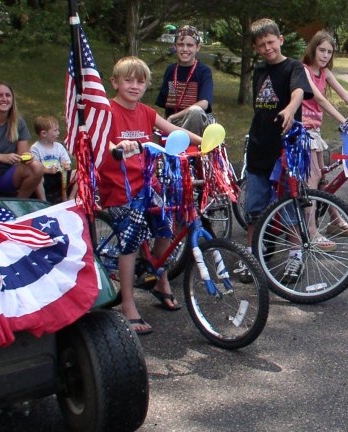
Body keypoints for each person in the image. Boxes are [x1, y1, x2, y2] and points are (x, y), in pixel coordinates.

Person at [95, 57, 201, 336]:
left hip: (146, 185)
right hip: (119, 188)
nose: (134, 86)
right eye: (128, 80)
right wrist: (116, 146)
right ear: (115, 82)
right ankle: (128, 302)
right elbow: (97, 140)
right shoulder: (107, 110)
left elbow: (174, 131)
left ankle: (160, 278)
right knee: (129, 240)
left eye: (140, 81)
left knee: (166, 225)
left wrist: (204, 143)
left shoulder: (146, 112)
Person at [244, 19, 313, 254]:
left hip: (287, 151)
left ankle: (295, 255)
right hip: (259, 148)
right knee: (254, 209)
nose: (267, 48)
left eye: (271, 42)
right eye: (261, 44)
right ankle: (253, 255)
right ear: (256, 48)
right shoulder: (259, 71)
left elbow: (298, 92)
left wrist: (291, 109)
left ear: (280, 40)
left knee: (292, 206)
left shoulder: (294, 67)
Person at [300, 30, 348, 246]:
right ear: (313, 49)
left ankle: (334, 220)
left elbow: (345, 94)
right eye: (322, 50)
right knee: (314, 179)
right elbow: (320, 100)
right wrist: (343, 120)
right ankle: (311, 231)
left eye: (329, 52)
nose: (325, 55)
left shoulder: (325, 73)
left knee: (322, 177)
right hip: (301, 130)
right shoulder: (304, 70)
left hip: (314, 131)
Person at [154, 25, 214, 135]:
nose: (185, 49)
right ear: (175, 46)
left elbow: (204, 104)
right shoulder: (171, 70)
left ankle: (188, 146)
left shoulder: (204, 71)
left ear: (198, 47)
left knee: (195, 112)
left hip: (197, 123)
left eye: (190, 45)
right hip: (173, 123)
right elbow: (167, 103)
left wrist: (174, 116)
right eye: (181, 45)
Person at [30, 115, 75, 202]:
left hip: (60, 176)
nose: (58, 133)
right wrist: (48, 170)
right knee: (37, 179)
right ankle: (43, 201)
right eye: (55, 130)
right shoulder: (35, 148)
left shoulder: (59, 146)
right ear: (44, 133)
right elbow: (35, 168)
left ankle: (70, 198)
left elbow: (66, 163)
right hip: (45, 177)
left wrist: (66, 166)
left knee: (79, 173)